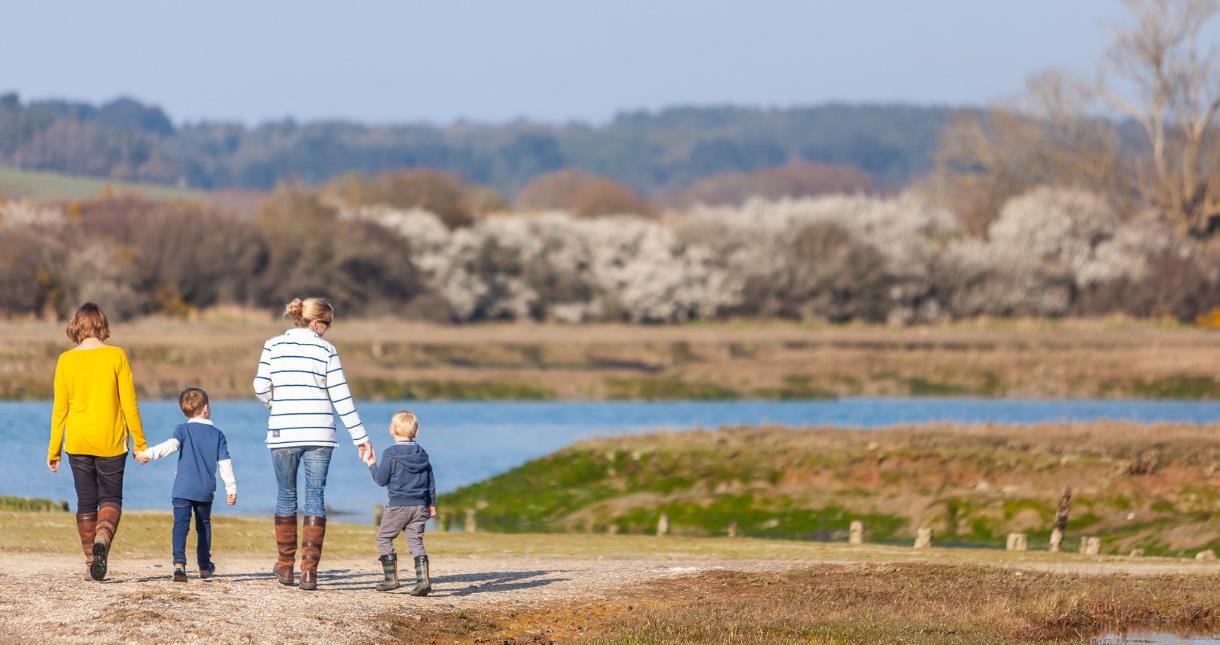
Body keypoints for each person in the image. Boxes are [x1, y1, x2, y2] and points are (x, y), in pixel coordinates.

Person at [254, 297, 374, 591]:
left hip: (283, 431)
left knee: (285, 495)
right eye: (328, 324)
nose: (328, 330)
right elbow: (342, 399)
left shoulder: (273, 345)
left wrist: (277, 405)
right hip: (320, 433)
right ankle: (309, 572)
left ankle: (285, 567)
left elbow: (259, 387)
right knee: (315, 497)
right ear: (317, 323)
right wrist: (361, 438)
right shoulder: (326, 350)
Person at [47, 302, 148, 581]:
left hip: (78, 441)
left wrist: (53, 450)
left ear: (76, 326)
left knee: (86, 501)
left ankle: (91, 558)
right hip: (111, 441)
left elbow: (60, 411)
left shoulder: (66, 361)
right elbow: (130, 405)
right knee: (111, 498)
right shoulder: (117, 356)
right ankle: (103, 537)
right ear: (102, 325)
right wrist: (140, 443)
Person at [136, 387, 237, 582]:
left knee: (180, 526)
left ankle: (179, 565)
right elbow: (225, 464)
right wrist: (231, 489)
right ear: (206, 409)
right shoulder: (218, 435)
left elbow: (169, 447)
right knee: (203, 527)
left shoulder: (182, 430)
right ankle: (204, 567)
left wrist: (146, 454)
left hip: (182, 489)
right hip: (205, 490)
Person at [368, 411, 436, 595]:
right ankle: (423, 581)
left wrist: (371, 464)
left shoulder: (390, 454)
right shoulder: (423, 454)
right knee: (415, 541)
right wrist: (432, 504)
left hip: (398, 506)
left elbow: (381, 480)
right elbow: (430, 480)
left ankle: (391, 579)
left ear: (392, 430)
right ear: (417, 431)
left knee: (384, 538)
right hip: (420, 506)